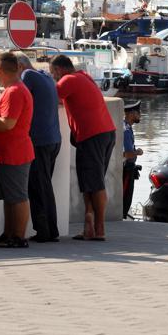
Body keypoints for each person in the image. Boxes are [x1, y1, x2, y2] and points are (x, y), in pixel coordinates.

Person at [50, 54, 116, 241]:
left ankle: (100, 229)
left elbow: (49, 96)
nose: (53, 76)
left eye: (52, 73)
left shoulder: (68, 80)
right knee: (89, 181)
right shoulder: (83, 77)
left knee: (94, 183)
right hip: (105, 132)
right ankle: (90, 227)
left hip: (92, 135)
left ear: (59, 70)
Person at [0, 52, 35, 248]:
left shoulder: (14, 91)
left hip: (14, 152)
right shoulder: (13, 89)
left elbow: (8, 123)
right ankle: (9, 234)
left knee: (17, 196)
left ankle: (18, 236)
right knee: (9, 196)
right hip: (7, 152)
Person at [15, 52, 62, 242]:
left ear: (20, 66)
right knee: (44, 185)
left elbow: (19, 96)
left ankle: (45, 231)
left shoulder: (28, 76)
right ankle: (49, 230)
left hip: (40, 141)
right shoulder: (45, 76)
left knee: (38, 186)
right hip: (53, 139)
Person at [122, 100, 143, 219]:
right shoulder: (125, 130)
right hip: (126, 169)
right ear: (130, 114)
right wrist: (138, 152)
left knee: (127, 196)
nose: (140, 115)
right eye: (138, 112)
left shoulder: (128, 127)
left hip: (129, 168)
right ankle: (121, 217)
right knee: (125, 197)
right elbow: (126, 154)